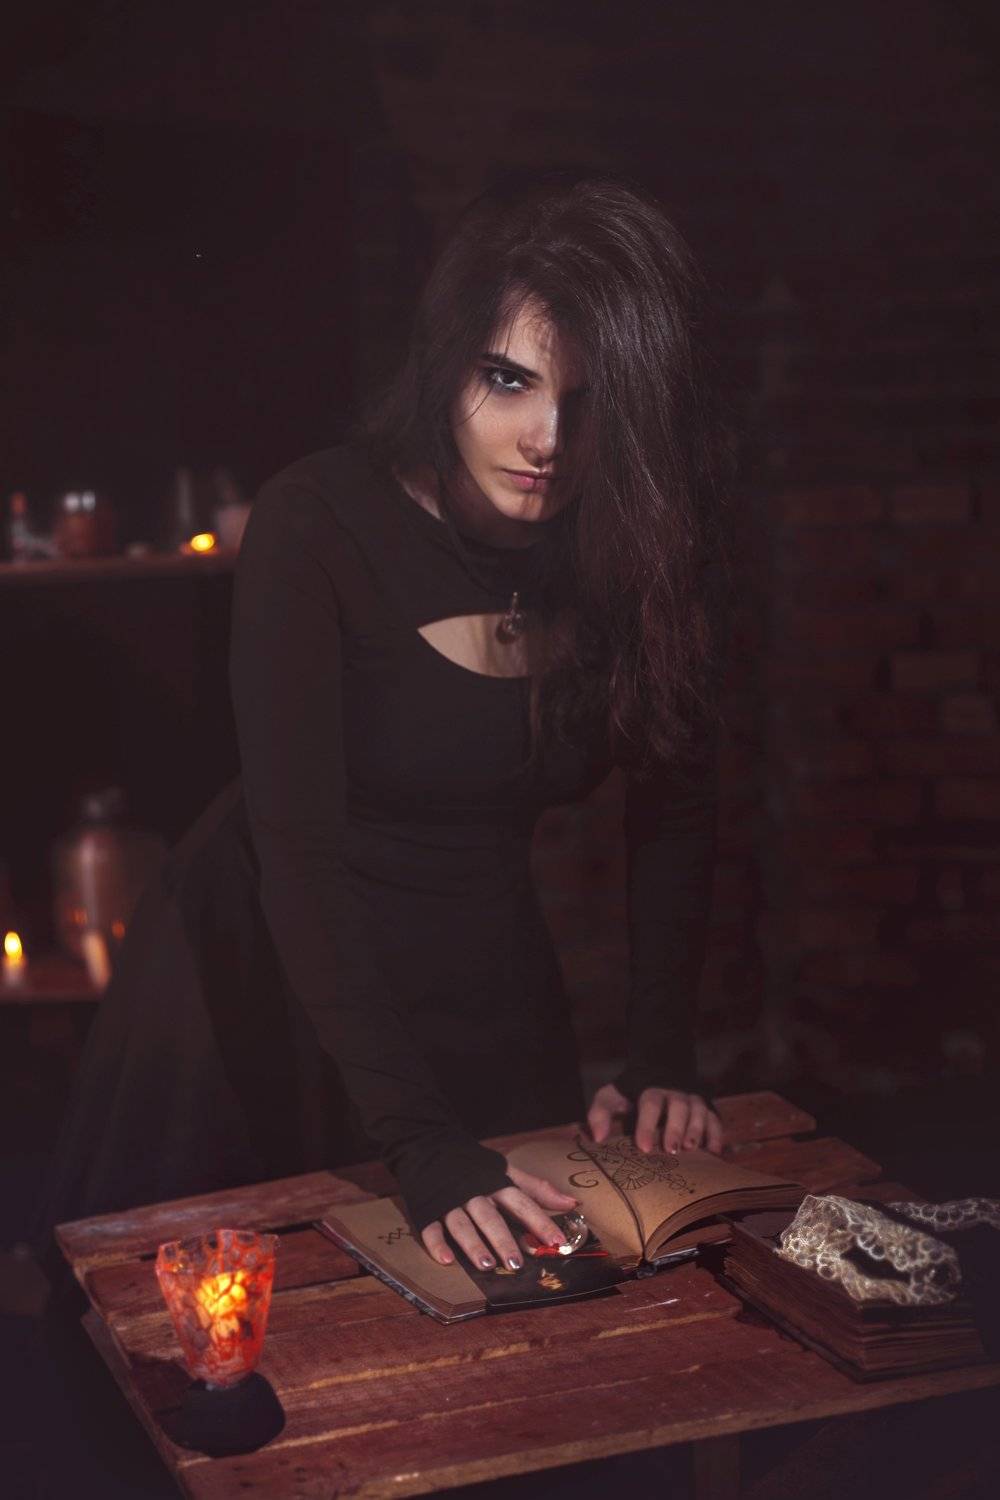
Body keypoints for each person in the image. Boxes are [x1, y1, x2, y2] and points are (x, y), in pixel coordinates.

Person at [39, 170, 733, 1278]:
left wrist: (659, 1057)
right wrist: (420, 1143)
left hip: (481, 962)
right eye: (507, 380)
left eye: (590, 399)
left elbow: (676, 806)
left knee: (529, 1296)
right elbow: (301, 857)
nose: (548, 439)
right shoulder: (317, 521)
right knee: (250, 1315)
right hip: (265, 965)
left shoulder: (632, 539)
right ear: (446, 361)